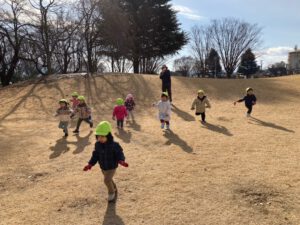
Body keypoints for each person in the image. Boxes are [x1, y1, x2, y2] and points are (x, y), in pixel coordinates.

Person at [83, 121, 128, 203]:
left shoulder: (114, 145)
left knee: (106, 180)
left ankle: (111, 193)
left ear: (108, 136)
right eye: (98, 137)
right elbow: (95, 155)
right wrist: (90, 164)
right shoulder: (97, 145)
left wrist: (121, 161)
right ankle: (114, 187)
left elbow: (119, 153)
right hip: (103, 167)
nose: (100, 139)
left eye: (102, 136)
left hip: (112, 166)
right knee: (109, 179)